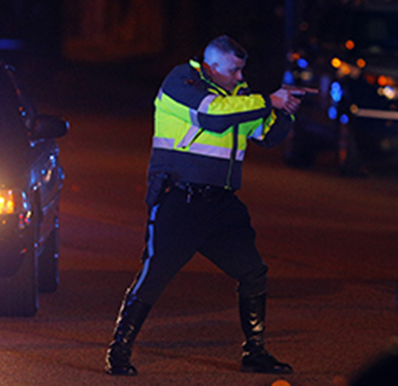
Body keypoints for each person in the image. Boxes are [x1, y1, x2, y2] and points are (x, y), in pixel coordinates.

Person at [105, 35, 304, 375]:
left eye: (243, 70)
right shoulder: (180, 83)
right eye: (235, 70)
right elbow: (212, 116)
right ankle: (118, 351)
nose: (241, 77)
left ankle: (255, 352)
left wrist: (284, 111)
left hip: (221, 205)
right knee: (153, 276)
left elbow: (266, 136)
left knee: (253, 272)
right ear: (211, 67)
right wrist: (268, 98)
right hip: (180, 201)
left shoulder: (239, 96)